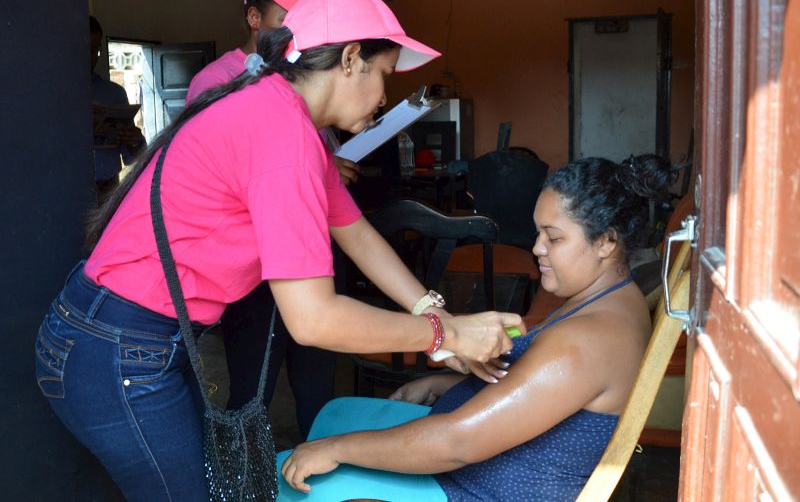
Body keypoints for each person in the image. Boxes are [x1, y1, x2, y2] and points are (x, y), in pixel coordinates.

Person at [34, 0, 521, 501]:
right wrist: (445, 338)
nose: (385, 98)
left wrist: (438, 316)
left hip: (126, 342)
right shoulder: (281, 135)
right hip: (118, 349)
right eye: (384, 75)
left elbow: (355, 233)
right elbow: (314, 320)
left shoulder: (285, 119)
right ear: (352, 59)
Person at [279, 155, 674, 501]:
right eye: (539, 233)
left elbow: (456, 443)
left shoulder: (590, 341)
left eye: (553, 238)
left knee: (304, 471)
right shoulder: (610, 299)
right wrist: (446, 386)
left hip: (474, 489)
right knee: (331, 428)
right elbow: (539, 393)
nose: (537, 248)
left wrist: (336, 449)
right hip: (472, 470)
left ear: (606, 242)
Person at [187, 0, 359, 439]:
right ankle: (245, 481)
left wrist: (327, 170)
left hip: (314, 248)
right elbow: (235, 173)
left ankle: (318, 466)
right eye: (287, 22)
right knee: (252, 390)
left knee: (317, 380)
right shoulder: (216, 82)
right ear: (254, 17)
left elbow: (313, 170)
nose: (297, 37)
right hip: (257, 268)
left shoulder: (302, 83)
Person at [90, 15, 144, 203]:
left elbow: (132, 156)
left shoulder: (114, 93)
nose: (90, 57)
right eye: (85, 49)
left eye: (95, 50)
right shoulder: (55, 94)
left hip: (108, 187)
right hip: (67, 186)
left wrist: (135, 141)